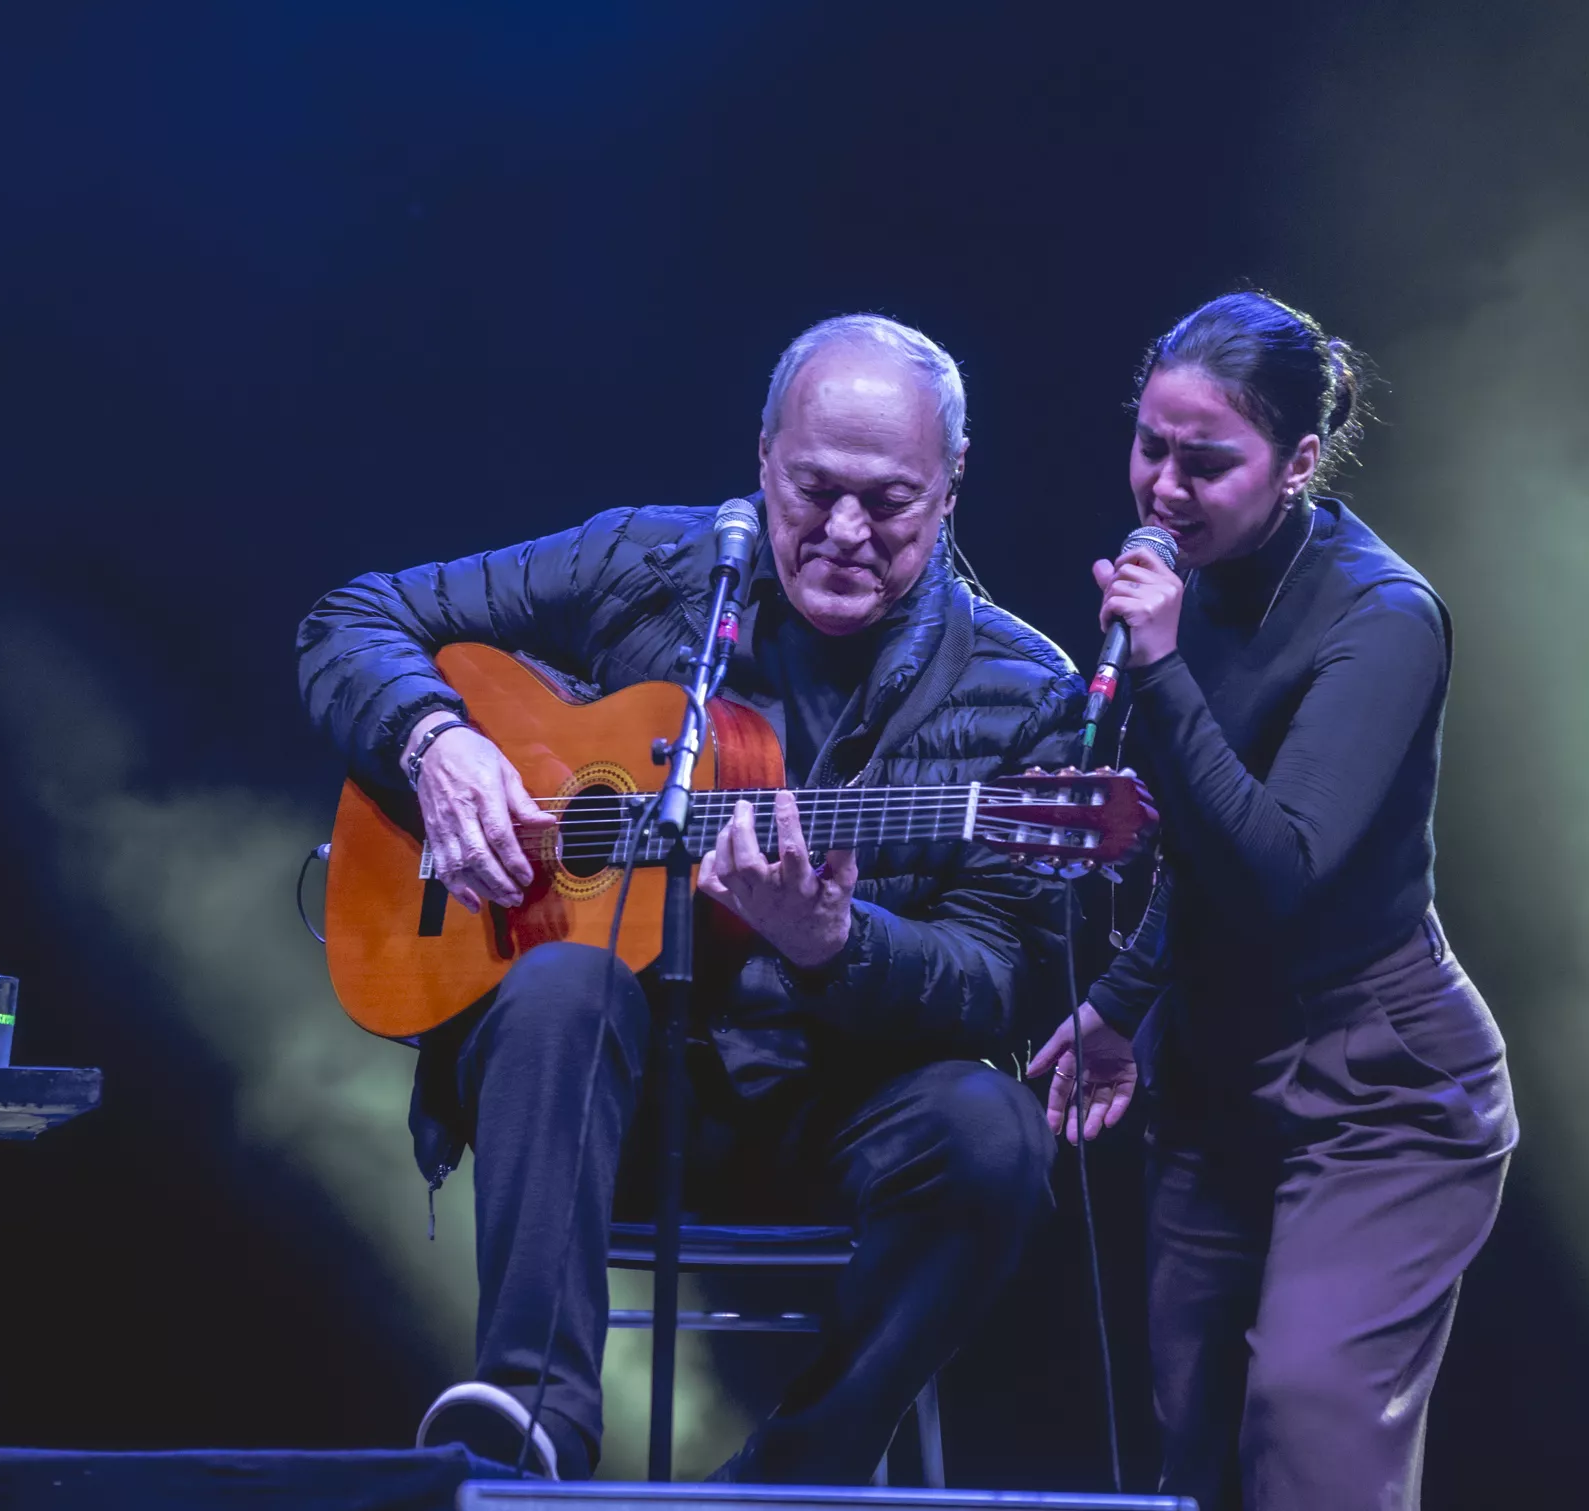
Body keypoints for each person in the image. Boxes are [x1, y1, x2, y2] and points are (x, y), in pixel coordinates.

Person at [299, 314, 1083, 1483]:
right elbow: (351, 619)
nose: (848, 532)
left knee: (994, 1130)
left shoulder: (1024, 692)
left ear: (953, 482)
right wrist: (433, 745)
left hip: (836, 1109)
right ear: (763, 453)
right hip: (609, 1101)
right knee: (565, 975)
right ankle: (534, 1434)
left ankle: (791, 1478)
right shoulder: (650, 564)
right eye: (814, 489)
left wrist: (837, 942)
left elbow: (1002, 981)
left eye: (893, 501)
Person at [1026, 292, 1517, 1510]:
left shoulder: (1381, 616)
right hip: (1218, 1062)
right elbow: (1195, 856)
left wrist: (1161, 665)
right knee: (1192, 1439)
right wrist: (1124, 998)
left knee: (1307, 1430)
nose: (1162, 488)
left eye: (1206, 461)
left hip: (1383, 1078)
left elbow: (1278, 872)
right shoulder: (1191, 584)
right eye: (1149, 445)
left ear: (1298, 462)